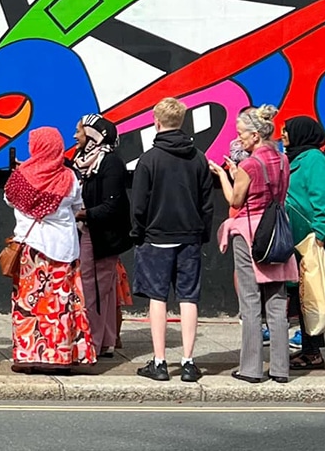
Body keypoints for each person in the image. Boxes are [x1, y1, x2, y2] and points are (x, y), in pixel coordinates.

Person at [211, 105, 299, 384]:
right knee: (277, 299)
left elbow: (236, 201)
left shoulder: (249, 164)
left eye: (242, 135)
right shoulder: (283, 160)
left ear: (256, 136)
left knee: (250, 301)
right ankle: (280, 368)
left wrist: (225, 175)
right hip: (278, 229)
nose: (239, 140)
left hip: (249, 232)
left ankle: (251, 368)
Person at [131, 97, 214, 383]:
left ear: (156, 122)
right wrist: (203, 232)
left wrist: (137, 232)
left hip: (156, 236)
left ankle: (160, 361)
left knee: (158, 298)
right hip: (190, 235)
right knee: (189, 297)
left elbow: (139, 204)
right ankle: (189, 362)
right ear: (182, 122)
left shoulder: (148, 160)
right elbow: (207, 202)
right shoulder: (198, 158)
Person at [6, 126, 96, 374]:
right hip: (64, 250)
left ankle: (29, 357)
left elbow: (8, 198)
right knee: (61, 304)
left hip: (31, 250)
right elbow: (78, 205)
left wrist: (28, 170)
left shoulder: (19, 177)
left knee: (29, 304)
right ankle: (62, 357)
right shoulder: (70, 178)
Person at [70, 114, 132, 358]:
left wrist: (81, 214)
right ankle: (105, 340)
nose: (75, 136)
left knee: (95, 287)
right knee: (100, 287)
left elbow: (113, 204)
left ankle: (93, 343)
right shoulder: (80, 160)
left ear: (94, 135)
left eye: (80, 131)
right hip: (88, 231)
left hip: (101, 234)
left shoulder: (110, 163)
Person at [282, 116, 325, 370]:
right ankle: (308, 349)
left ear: (300, 133)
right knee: (300, 295)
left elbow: (323, 201)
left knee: (310, 295)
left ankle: (313, 353)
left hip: (308, 239)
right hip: (293, 238)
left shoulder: (314, 160)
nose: (283, 135)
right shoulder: (296, 158)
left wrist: (319, 235)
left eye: (286, 131)